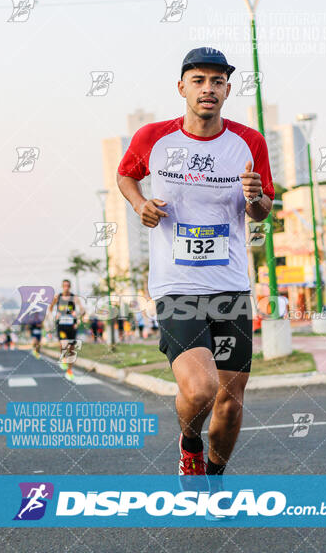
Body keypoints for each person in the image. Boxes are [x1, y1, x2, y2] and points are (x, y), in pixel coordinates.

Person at [117, 47, 274, 479]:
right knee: (202, 388)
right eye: (199, 80)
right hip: (177, 287)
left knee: (231, 398)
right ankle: (190, 448)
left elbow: (262, 211)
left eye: (217, 81)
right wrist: (139, 205)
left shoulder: (249, 142)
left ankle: (216, 477)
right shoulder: (154, 137)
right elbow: (126, 174)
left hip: (230, 287)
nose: (208, 88)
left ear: (227, 89)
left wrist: (253, 196)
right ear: (182, 86)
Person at [48, 279, 85, 381]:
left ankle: (69, 370)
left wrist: (78, 316)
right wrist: (54, 316)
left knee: (71, 348)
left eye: (68, 286)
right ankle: (63, 358)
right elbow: (50, 307)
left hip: (71, 325)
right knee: (63, 344)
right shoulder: (58, 297)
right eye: (64, 285)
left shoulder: (74, 298)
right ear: (62, 286)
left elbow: (82, 309)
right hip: (61, 324)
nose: (66, 287)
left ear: (70, 286)